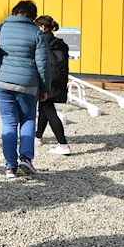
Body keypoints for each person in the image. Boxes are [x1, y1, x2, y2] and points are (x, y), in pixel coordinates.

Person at [0, 0, 50, 179]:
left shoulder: (0, 28)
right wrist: (44, 87)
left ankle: (10, 167)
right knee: (27, 119)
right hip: (28, 84)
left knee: (9, 122)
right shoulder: (36, 33)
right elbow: (43, 64)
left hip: (1, 82)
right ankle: (26, 157)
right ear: (33, 16)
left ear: (14, 12)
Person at [35, 15, 72, 155]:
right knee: (44, 108)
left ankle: (63, 144)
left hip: (46, 79)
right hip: (59, 79)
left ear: (43, 27)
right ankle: (38, 136)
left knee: (49, 110)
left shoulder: (41, 41)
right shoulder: (61, 44)